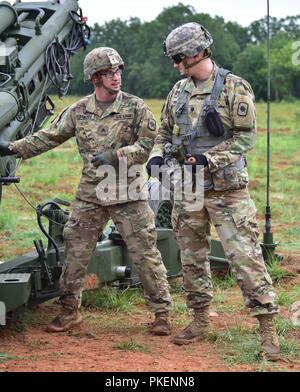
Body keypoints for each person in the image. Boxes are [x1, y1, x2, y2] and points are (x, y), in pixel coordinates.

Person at [0, 47, 172, 335]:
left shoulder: (136, 107)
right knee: (74, 253)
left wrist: (115, 155)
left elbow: (146, 147)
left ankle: (162, 315)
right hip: (91, 194)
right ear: (95, 78)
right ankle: (69, 312)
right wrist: (14, 148)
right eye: (108, 72)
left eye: (118, 71)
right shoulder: (79, 110)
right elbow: (51, 136)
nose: (116, 77)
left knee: (145, 253)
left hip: (127, 193)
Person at [146, 22, 280, 361]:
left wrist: (210, 158)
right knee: (191, 258)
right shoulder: (177, 91)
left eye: (179, 58)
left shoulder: (234, 87)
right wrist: (157, 156)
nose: (176, 64)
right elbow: (163, 132)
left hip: (226, 190)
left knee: (245, 258)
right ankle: (200, 319)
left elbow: (246, 136)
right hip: (187, 189)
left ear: (196, 52)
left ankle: (267, 331)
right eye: (173, 59)